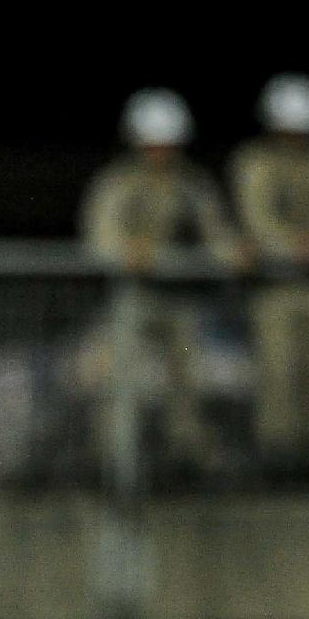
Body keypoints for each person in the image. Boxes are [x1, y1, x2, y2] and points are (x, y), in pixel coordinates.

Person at [79, 90, 243, 484]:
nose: (162, 152)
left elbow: (216, 234)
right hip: (131, 301)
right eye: (154, 144)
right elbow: (99, 236)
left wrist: (234, 252)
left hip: (178, 303)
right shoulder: (118, 183)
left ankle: (186, 460)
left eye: (168, 144)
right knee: (117, 378)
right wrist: (126, 251)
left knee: (186, 380)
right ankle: (109, 461)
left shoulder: (192, 185)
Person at [232, 74, 309, 470]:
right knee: (280, 377)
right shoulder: (256, 162)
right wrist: (297, 245)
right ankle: (279, 464)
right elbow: (257, 218)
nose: (298, 137)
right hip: (276, 289)